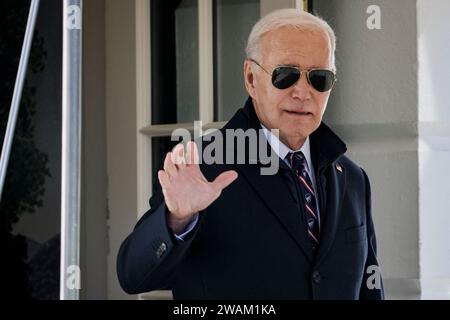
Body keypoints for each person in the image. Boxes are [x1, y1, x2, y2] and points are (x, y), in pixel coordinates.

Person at [117, 9, 384, 300]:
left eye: (319, 78)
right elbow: (132, 276)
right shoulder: (203, 165)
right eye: (286, 75)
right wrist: (177, 219)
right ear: (251, 79)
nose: (303, 92)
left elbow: (369, 288)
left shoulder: (353, 178)